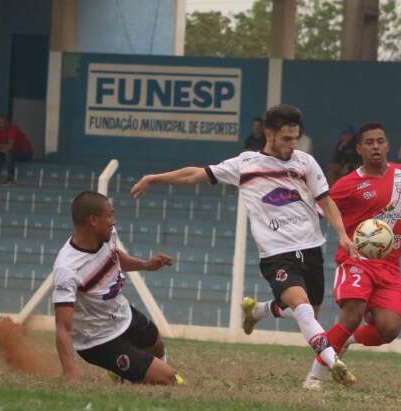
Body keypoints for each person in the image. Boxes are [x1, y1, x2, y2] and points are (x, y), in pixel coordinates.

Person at [131, 104, 357, 386]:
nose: (292, 144)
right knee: (302, 308)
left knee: (308, 312)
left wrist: (343, 235)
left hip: (311, 250)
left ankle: (259, 311)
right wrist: (154, 178)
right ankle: (329, 366)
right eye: (286, 138)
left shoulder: (305, 163)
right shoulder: (246, 164)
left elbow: (326, 201)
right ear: (270, 134)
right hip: (277, 255)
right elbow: (194, 174)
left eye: (296, 137)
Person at [303, 122, 401, 390]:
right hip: (356, 260)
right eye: (369, 142)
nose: (376, 146)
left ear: (388, 145)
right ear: (359, 148)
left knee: (389, 329)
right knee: (353, 313)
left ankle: (345, 340)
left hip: (389, 267)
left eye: (380, 141)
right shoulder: (348, 185)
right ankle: (314, 377)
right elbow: (322, 209)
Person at [53, 191, 184, 384]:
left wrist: (146, 265)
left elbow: (115, 256)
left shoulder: (108, 235)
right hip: (98, 340)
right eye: (110, 216)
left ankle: (126, 373)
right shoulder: (67, 268)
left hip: (123, 314)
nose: (114, 221)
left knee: (156, 343)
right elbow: (63, 328)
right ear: (93, 220)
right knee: (171, 380)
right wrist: (70, 372)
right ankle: (126, 374)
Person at [0, 114, 33, 184]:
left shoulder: (13, 129)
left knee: (9, 152)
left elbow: (10, 146)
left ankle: (10, 178)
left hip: (25, 154)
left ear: (7, 122)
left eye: (1, 122)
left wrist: (0, 147)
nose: (0, 125)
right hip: (11, 152)